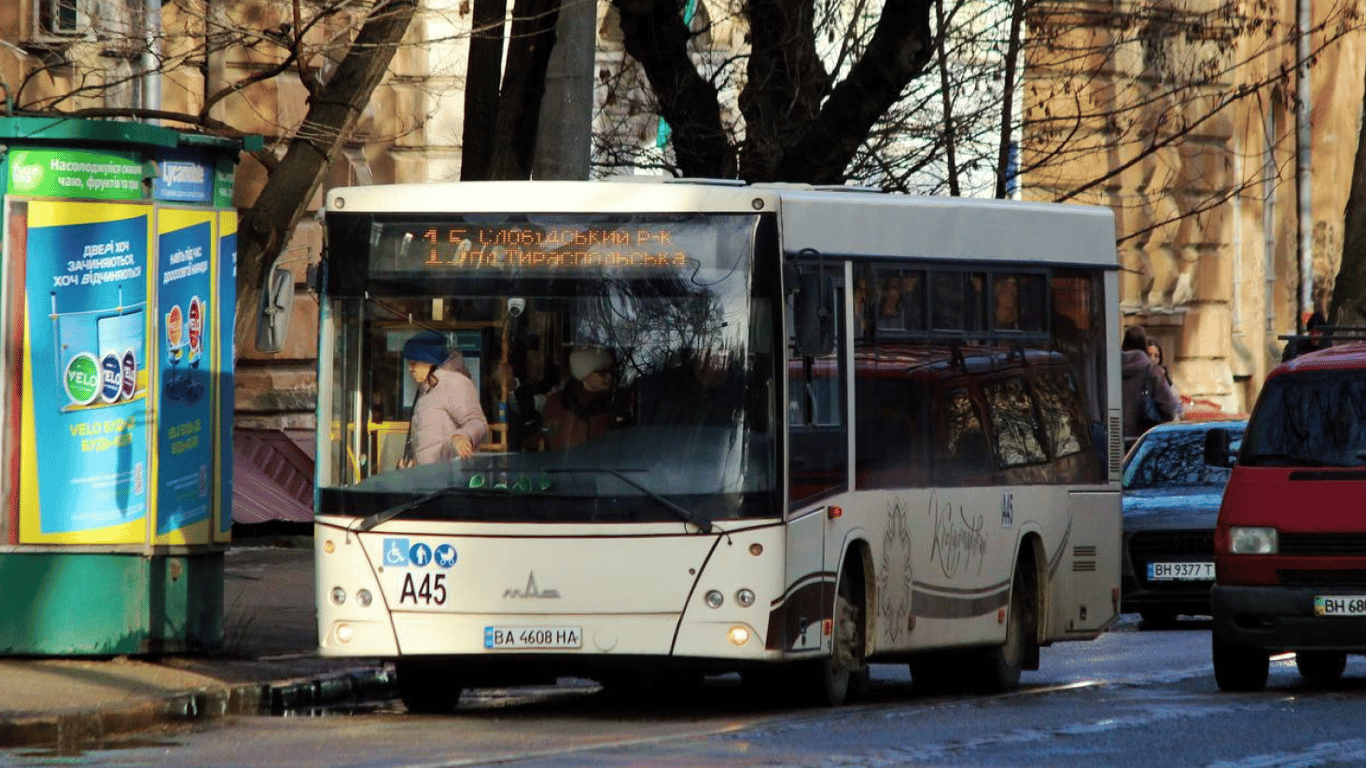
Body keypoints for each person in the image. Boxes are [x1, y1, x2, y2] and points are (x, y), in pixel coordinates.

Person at [399, 331, 488, 466]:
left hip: (449, 478)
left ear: (429, 361)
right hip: (429, 479)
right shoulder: (424, 392)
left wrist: (461, 437)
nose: (410, 369)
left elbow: (478, 423)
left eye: (414, 363)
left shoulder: (453, 383)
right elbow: (428, 445)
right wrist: (413, 464)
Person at [540, 346, 631, 450]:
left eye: (611, 370)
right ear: (584, 373)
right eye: (602, 371)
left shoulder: (615, 403)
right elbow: (547, 440)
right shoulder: (556, 403)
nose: (609, 376)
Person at [1121, 325, 1179, 450]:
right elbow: (1169, 408)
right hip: (1143, 441)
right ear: (1143, 346)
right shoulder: (1151, 370)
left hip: (1112, 440)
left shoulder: (1109, 368)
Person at [1146, 341, 1184, 419]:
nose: (1153, 359)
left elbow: (1175, 400)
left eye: (1156, 356)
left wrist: (1165, 378)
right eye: (1149, 355)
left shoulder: (1162, 376)